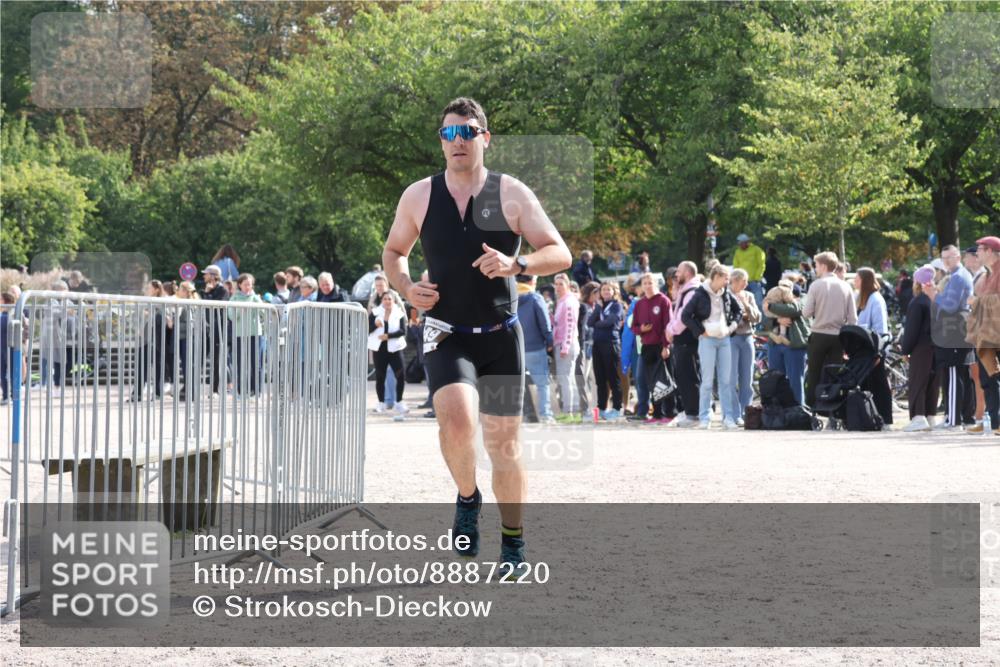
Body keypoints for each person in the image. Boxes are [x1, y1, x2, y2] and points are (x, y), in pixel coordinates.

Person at [381, 97, 571, 571]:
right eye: (448, 134)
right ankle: (468, 498)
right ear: (441, 143)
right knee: (458, 421)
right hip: (446, 331)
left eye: (466, 132)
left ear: (485, 138)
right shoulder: (419, 196)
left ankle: (513, 544)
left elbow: (560, 252)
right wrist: (407, 287)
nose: (457, 141)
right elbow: (394, 251)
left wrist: (518, 263)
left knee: (503, 446)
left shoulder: (512, 193)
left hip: (500, 335)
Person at [681, 264, 743, 429]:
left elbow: (739, 311)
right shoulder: (699, 293)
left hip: (724, 340)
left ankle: (727, 417)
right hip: (707, 340)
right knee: (707, 381)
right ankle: (705, 418)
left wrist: (732, 328)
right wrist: (701, 331)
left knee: (726, 381)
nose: (727, 282)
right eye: (725, 278)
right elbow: (685, 315)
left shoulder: (726, 293)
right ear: (716, 277)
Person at [926, 245, 974, 431]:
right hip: (959, 330)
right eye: (943, 258)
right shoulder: (958, 276)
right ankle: (962, 417)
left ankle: (953, 420)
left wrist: (934, 295)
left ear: (958, 257)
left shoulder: (958, 277)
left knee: (953, 373)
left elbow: (950, 306)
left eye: (949, 257)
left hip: (954, 330)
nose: (946, 261)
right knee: (960, 374)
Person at [803, 251, 857, 408]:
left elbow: (806, 313)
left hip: (819, 334)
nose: (815, 269)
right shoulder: (846, 286)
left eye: (817, 266)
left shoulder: (816, 285)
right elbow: (853, 318)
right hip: (838, 336)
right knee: (835, 374)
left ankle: (812, 406)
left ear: (824, 266)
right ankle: (833, 407)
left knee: (814, 373)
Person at [964, 236, 1000, 435]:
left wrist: (976, 302)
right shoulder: (986, 275)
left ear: (990, 252)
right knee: (988, 380)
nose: (977, 254)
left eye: (980, 250)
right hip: (986, 336)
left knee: (995, 378)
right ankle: (994, 423)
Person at [900, 266, 939, 431]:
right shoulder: (936, 300)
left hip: (921, 347)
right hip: (937, 346)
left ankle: (918, 416)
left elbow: (912, 330)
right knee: (932, 383)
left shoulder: (917, 302)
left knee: (918, 381)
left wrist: (905, 350)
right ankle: (930, 416)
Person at [630, 272, 672, 423]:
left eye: (650, 282)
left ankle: (667, 413)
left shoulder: (663, 301)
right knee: (644, 380)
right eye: (645, 283)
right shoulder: (639, 304)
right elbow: (633, 326)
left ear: (656, 284)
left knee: (663, 380)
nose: (647, 286)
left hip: (660, 345)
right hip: (646, 346)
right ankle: (649, 413)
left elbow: (668, 325)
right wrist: (641, 329)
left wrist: (666, 346)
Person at [854, 267, 893, 426]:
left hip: (874, 348)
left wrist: (878, 351)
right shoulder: (862, 298)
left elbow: (880, 327)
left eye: (857, 278)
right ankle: (869, 418)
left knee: (879, 384)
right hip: (863, 348)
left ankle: (886, 419)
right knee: (866, 384)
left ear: (864, 280)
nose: (854, 281)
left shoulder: (876, 299)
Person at [763, 273, 810, 405]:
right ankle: (778, 412)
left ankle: (798, 410)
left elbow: (794, 310)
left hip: (794, 345)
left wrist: (771, 307)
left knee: (796, 380)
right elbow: (764, 320)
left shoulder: (804, 298)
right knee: (776, 380)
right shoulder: (774, 298)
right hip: (775, 345)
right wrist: (778, 320)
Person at [665, 261, 702, 427]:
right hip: (682, 338)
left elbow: (683, 317)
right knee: (683, 375)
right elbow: (676, 310)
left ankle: (693, 414)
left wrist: (671, 331)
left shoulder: (692, 291)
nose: (676, 275)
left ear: (687, 272)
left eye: (678, 272)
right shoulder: (685, 289)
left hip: (687, 338)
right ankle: (690, 411)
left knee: (689, 376)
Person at [517, 273, 554, 423]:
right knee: (542, 384)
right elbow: (545, 323)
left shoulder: (509, 298)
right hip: (535, 346)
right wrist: (550, 341)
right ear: (533, 281)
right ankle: (545, 414)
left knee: (520, 385)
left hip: (516, 348)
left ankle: (526, 415)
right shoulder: (535, 298)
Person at [368, 289, 408, 416]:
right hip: (380, 349)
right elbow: (367, 329)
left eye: (389, 299)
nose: (387, 301)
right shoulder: (375, 313)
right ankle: (381, 403)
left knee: (400, 375)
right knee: (380, 376)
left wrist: (388, 336)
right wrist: (375, 325)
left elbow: (403, 331)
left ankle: (399, 402)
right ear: (381, 301)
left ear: (394, 300)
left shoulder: (399, 313)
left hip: (395, 348)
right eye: (385, 299)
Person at [588, 281, 625, 420]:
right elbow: (590, 322)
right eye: (603, 290)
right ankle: (601, 408)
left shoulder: (617, 306)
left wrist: (598, 323)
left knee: (613, 377)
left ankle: (616, 408)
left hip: (611, 344)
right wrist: (598, 309)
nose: (605, 292)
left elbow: (610, 322)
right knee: (600, 378)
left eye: (608, 290)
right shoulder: (600, 306)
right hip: (597, 344)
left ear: (614, 291)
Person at [729, 268, 761, 421]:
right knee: (732, 378)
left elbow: (757, 317)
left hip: (747, 337)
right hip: (732, 338)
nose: (747, 284)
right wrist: (743, 317)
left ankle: (746, 412)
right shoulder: (726, 295)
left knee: (747, 378)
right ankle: (734, 414)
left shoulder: (749, 295)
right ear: (734, 281)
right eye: (744, 281)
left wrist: (746, 304)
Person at [228, 273, 264, 396]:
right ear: (239, 285)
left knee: (256, 363)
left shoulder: (255, 297)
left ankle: (256, 391)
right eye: (245, 284)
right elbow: (231, 316)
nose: (248, 287)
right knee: (240, 363)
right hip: (240, 334)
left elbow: (264, 312)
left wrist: (256, 298)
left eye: (250, 284)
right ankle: (241, 390)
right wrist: (240, 309)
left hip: (255, 334)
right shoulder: (234, 298)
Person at [552, 273, 580, 419]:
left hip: (566, 345)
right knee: (568, 379)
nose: (557, 287)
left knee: (566, 379)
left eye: (560, 284)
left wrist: (565, 346)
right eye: (556, 284)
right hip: (562, 343)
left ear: (568, 285)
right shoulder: (562, 300)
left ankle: (568, 412)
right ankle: (572, 411)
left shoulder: (569, 301)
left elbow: (570, 325)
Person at [200, 264, 229, 395]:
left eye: (206, 274)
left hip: (219, 329)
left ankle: (215, 389)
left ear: (213, 276)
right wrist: (206, 292)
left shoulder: (223, 290)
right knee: (200, 357)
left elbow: (217, 306)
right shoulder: (205, 290)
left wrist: (208, 293)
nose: (204, 276)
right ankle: (191, 388)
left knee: (217, 360)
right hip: (207, 328)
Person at [733, 233, 766, 311]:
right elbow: (736, 266)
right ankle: (746, 322)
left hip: (754, 282)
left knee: (758, 303)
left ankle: (759, 323)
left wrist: (757, 278)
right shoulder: (738, 252)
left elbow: (761, 264)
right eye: (739, 243)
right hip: (742, 282)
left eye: (741, 243)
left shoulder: (756, 250)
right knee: (742, 303)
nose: (740, 245)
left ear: (747, 242)